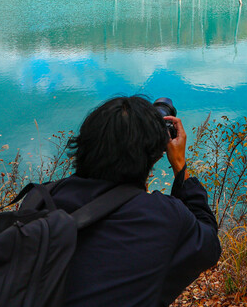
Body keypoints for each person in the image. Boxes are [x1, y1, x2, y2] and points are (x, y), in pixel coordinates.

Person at [51, 95, 221, 307]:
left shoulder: (45, 197)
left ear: (85, 143)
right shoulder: (161, 218)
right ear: (156, 156)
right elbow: (209, 244)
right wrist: (179, 164)